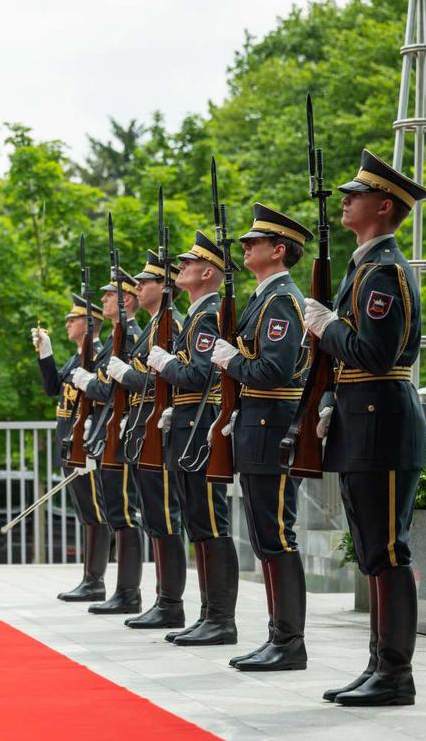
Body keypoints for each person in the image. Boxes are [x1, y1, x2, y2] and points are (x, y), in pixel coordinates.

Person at [304, 150, 426, 706]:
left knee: (388, 550)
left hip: (384, 422)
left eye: (356, 194)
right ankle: (378, 665)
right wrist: (331, 396)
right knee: (372, 550)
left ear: (383, 206)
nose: (345, 199)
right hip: (363, 421)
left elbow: (374, 354)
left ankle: (395, 674)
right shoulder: (363, 267)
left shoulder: (383, 272)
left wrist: (328, 327)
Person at [211, 204, 311, 672]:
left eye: (255, 242)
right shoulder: (262, 298)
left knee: (277, 536)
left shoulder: (282, 301)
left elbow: (274, 369)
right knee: (266, 536)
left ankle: (289, 642)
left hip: (272, 428)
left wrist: (230, 361)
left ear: (278, 250)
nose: (245, 248)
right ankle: (278, 637)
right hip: (257, 427)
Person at [147, 230, 240, 647]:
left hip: (200, 429)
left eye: (187, 263)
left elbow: (200, 375)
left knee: (210, 523)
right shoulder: (199, 315)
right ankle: (209, 615)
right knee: (199, 524)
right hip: (189, 424)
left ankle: (220, 618)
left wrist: (166, 365)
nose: (179, 268)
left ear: (208, 272)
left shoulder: (207, 316)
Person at [114, 252, 186, 629]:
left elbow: (167, 380)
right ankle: (164, 599)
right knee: (154, 516)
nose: (137, 288)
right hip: (145, 427)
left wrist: (127, 377)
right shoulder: (154, 325)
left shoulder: (172, 324)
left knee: (165, 515)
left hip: (161, 427)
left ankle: (171, 601)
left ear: (165, 286)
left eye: (146, 282)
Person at [72, 268, 143, 615]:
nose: (102, 301)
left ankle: (129, 592)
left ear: (125, 300)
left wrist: (88, 383)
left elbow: (112, 388)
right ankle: (123, 590)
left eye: (109, 295)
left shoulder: (130, 336)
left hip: (122, 432)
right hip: (107, 432)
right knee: (117, 512)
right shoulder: (119, 336)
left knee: (125, 512)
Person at [32, 295, 106, 602]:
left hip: (85, 444)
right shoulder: (77, 357)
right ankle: (90, 578)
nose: (67, 324)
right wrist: (45, 352)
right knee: (85, 511)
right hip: (71, 444)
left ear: (88, 326)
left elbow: (104, 398)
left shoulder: (97, 355)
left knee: (94, 511)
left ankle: (95, 580)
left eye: (72, 320)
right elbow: (53, 388)